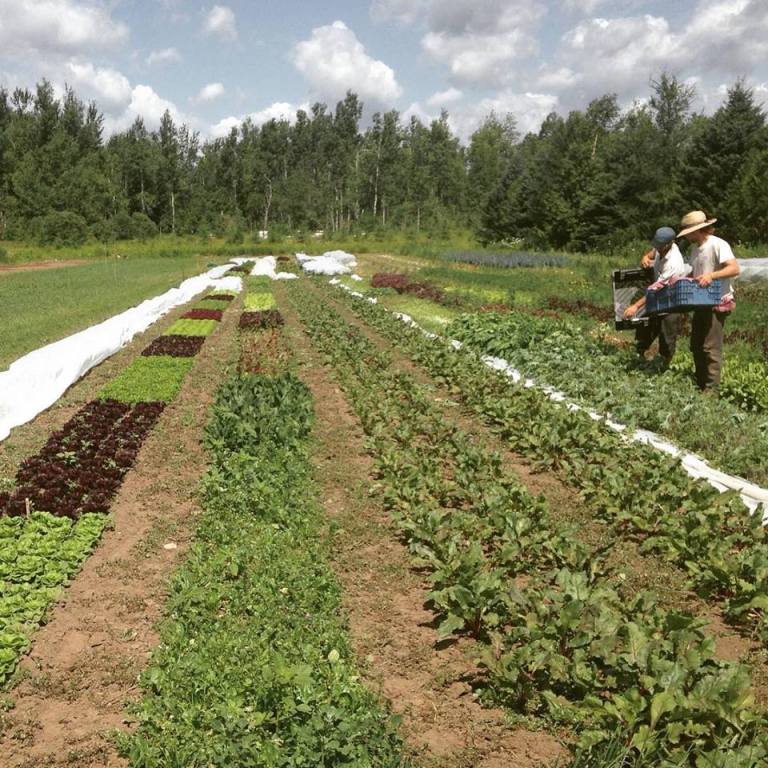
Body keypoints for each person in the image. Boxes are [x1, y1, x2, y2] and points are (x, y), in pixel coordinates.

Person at [676, 210, 740, 393]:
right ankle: (700, 383)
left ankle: (711, 391)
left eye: (687, 233)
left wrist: (712, 275)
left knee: (710, 347)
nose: (686, 236)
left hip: (716, 301)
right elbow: (697, 274)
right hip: (701, 302)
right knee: (696, 344)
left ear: (696, 230)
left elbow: (734, 269)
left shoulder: (718, 244)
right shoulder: (696, 249)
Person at [623, 226, 687, 367]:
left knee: (667, 335)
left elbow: (656, 289)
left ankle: (664, 365)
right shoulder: (660, 248)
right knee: (647, 327)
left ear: (670, 243)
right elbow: (651, 254)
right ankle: (639, 354)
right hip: (658, 297)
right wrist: (645, 257)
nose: (657, 248)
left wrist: (635, 306)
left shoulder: (674, 263)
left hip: (671, 301)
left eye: (660, 246)